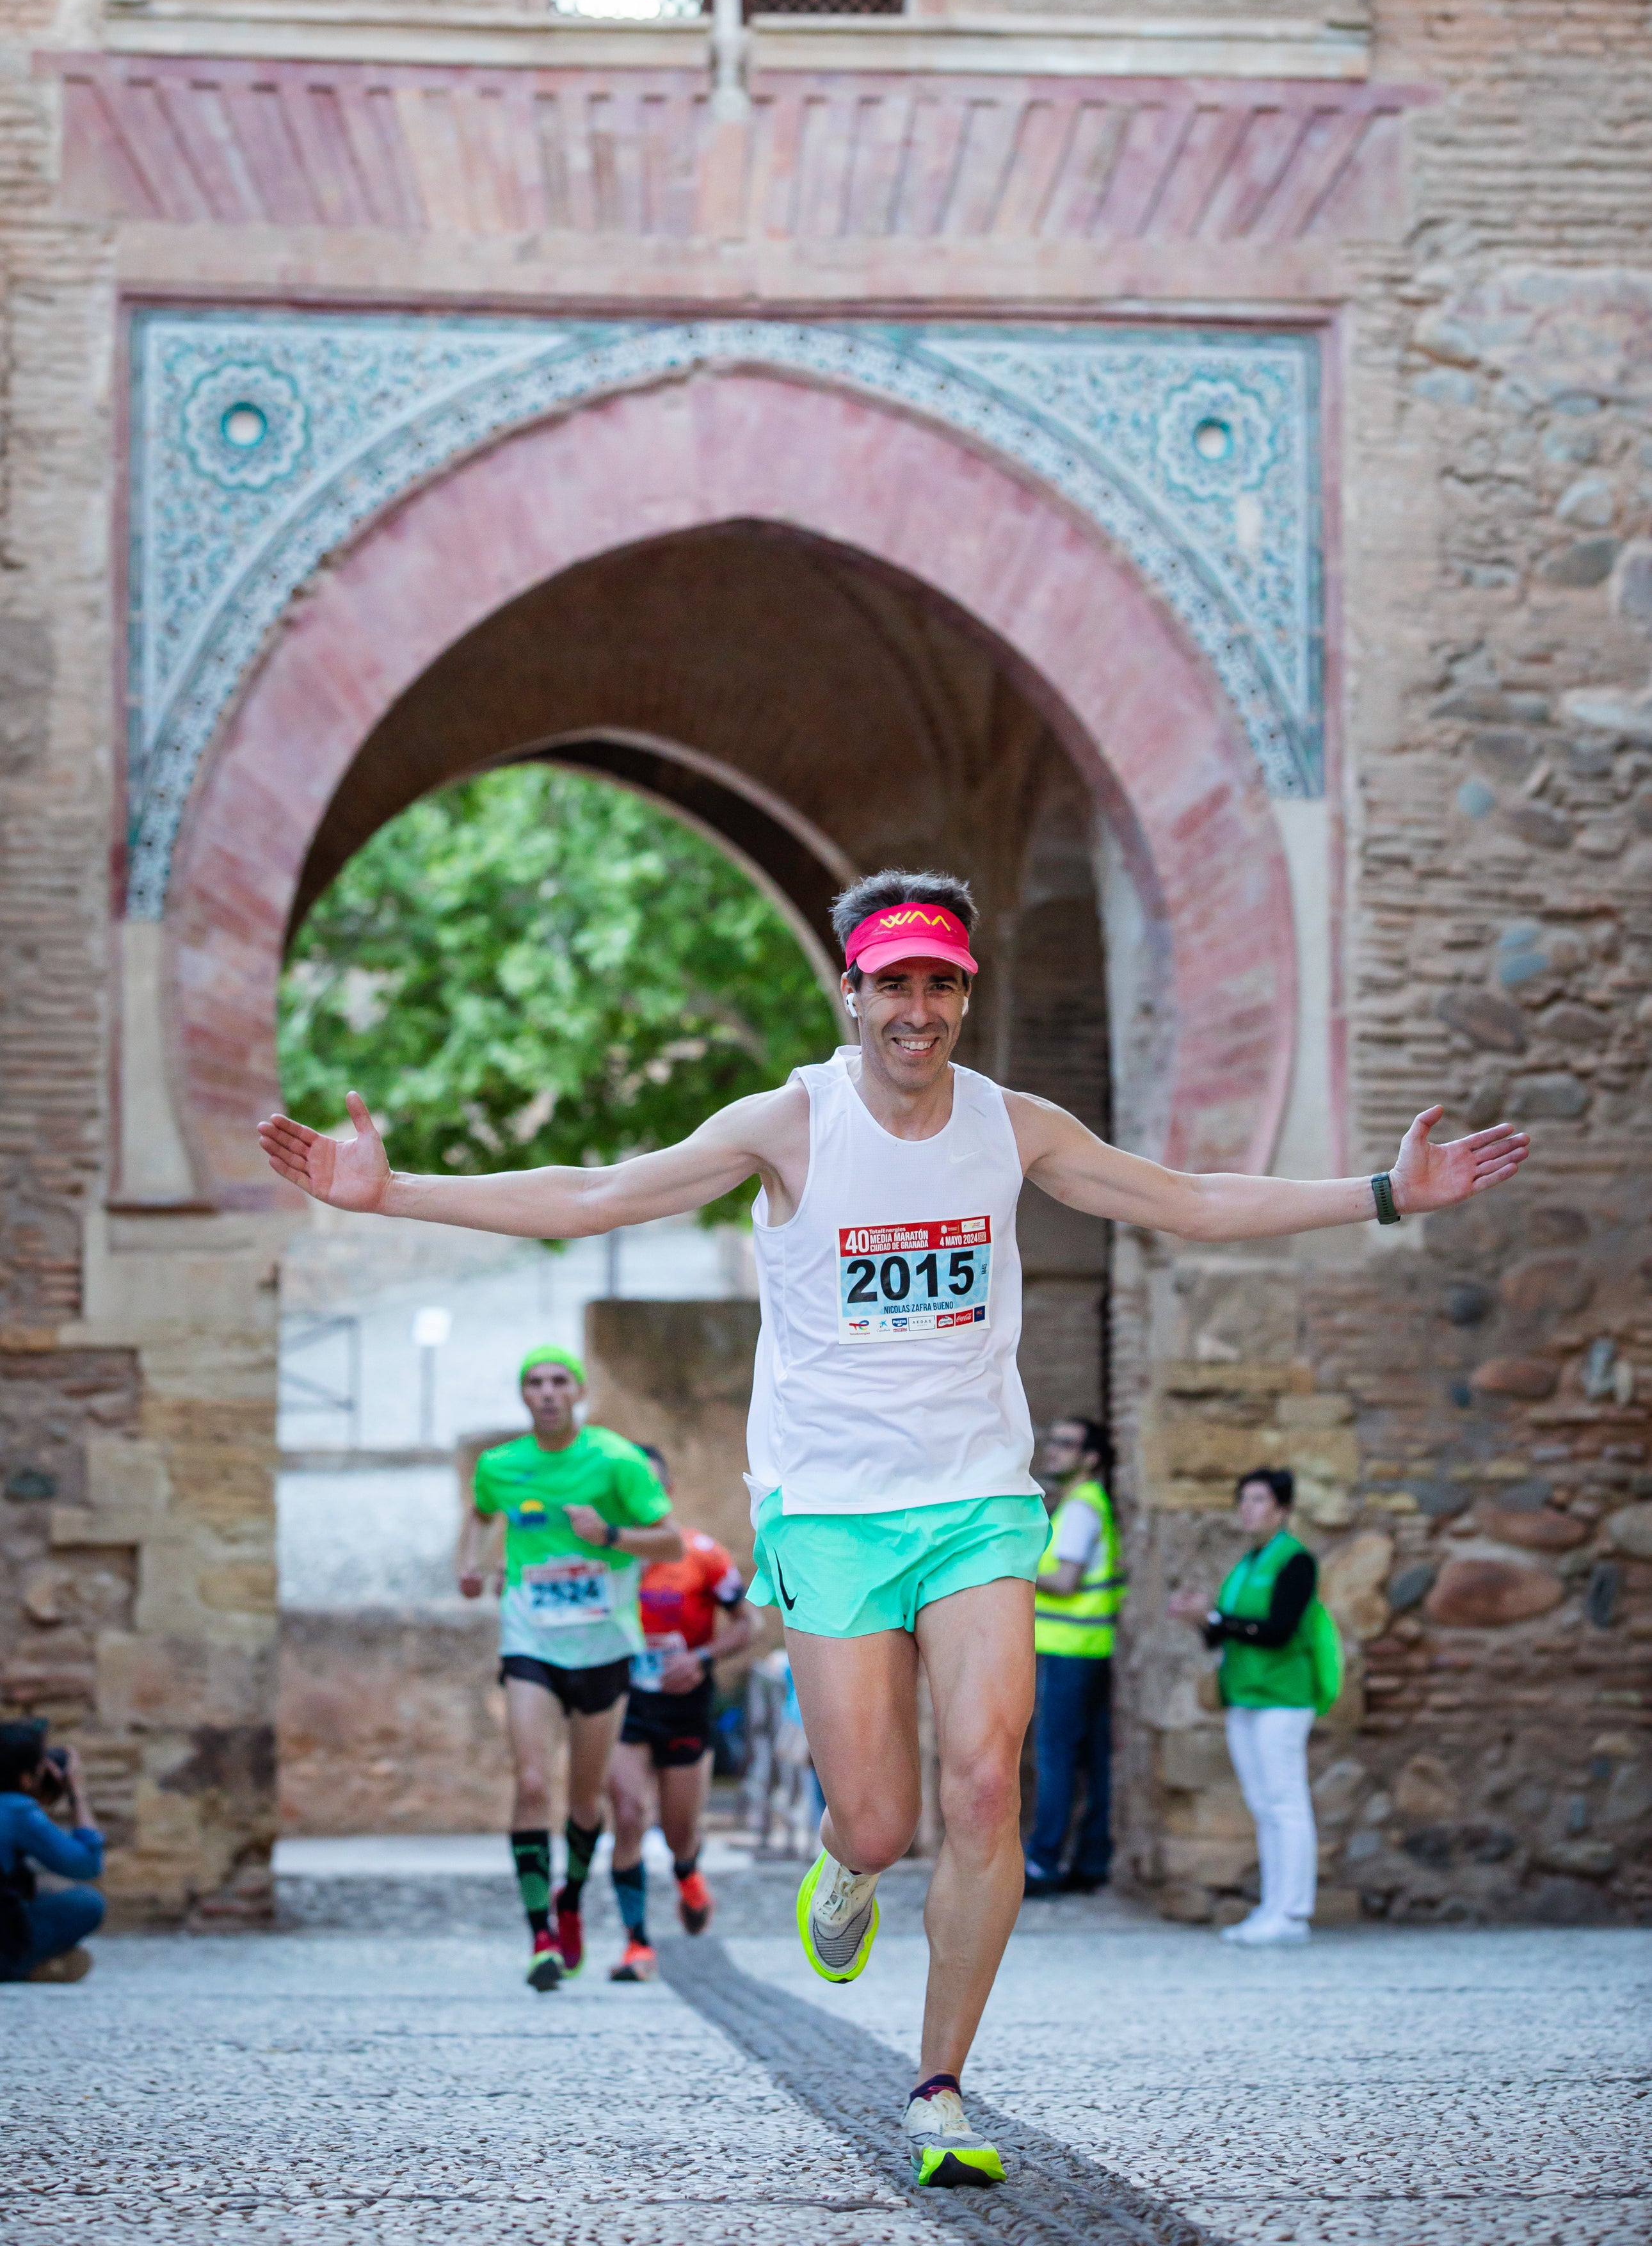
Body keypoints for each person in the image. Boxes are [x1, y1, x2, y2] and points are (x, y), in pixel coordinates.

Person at [259, 864, 1528, 2188]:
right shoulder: (788, 1122)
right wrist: (391, 1192)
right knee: (878, 1822)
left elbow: (1191, 1200)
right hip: (830, 1510)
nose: (916, 1008)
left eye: (941, 983)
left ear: (963, 994)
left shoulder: (1013, 1125)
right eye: (893, 983)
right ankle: (847, 1866)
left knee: (988, 1783)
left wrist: (1384, 1195)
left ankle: (939, 2086)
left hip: (978, 1501)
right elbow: (596, 1192)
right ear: (849, 990)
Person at [456, 1346, 682, 1991]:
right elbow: (476, 1516)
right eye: (535, 1381)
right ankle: (540, 1937)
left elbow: (670, 1540)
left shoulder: (615, 1460)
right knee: (531, 1781)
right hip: (530, 1639)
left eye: (559, 1380)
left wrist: (608, 1535)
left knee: (586, 1798)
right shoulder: (499, 1465)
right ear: (523, 1394)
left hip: (604, 1646)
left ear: (578, 1390)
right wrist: (469, 1564)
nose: (548, 1392)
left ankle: (571, 1898)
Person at [604, 1444, 753, 1978]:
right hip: (622, 1703)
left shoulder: (701, 1554)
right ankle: (636, 1944)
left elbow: (746, 1624)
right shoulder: (601, 1556)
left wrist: (702, 1657)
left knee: (678, 1831)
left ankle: (688, 1873)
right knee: (626, 1816)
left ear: (665, 1494)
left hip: (686, 1702)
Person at [1167, 1466, 1330, 1946]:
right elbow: (1226, 1631)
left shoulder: (1294, 1561)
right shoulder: (1247, 1563)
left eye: (1258, 1500)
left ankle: (1294, 1913)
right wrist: (1200, 1619)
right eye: (1242, 1499)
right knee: (1264, 1806)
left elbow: (1277, 1630)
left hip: (1283, 1698)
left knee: (1286, 1804)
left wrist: (1216, 1617)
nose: (1246, 1508)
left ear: (1282, 1509)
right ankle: (1271, 1907)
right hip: (1244, 1697)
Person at [1023, 1416, 1123, 1899]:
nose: (1053, 1450)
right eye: (1052, 1439)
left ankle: (1042, 1862)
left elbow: (1065, 1580)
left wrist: (1012, 1568)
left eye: (1067, 1444)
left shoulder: (1082, 1508)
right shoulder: (1082, 1505)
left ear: (1091, 1458)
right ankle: (1089, 1859)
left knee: (1056, 1758)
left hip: (1070, 1651)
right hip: (1085, 1650)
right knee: (1087, 1757)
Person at [0, 1722, 106, 1983]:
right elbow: (87, 1864)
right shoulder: (17, 1811)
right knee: (87, 1903)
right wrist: (76, 1792)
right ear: (26, 1779)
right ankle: (20, 1966)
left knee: (38, 1886)